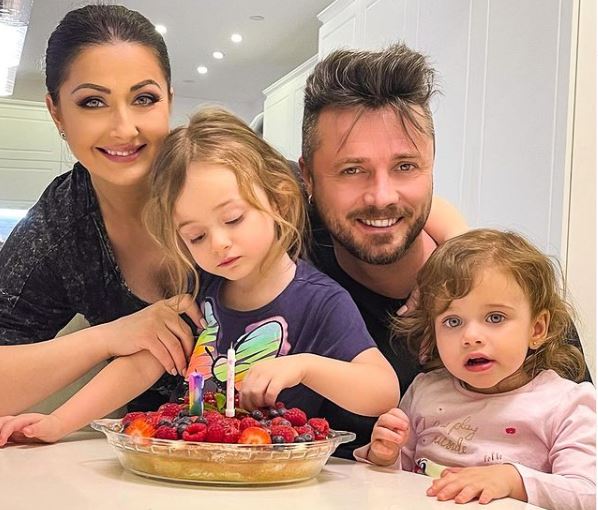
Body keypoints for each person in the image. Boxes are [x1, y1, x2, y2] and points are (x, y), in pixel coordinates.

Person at [0, 108, 400, 444]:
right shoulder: (198, 289)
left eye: (234, 218)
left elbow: (382, 390)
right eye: (196, 236)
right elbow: (140, 366)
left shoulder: (321, 302)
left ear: (278, 199)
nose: (219, 244)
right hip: (191, 468)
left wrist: (307, 367)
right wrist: (58, 423)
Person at [299, 43, 591, 457]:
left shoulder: (511, 295)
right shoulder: (289, 281)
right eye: (352, 170)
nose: (382, 196)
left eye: (405, 166)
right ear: (308, 177)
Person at [0, 4, 202, 417]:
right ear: (57, 112)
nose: (124, 128)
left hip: (293, 439)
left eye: (144, 98)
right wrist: (112, 336)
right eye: (93, 102)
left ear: (169, 99)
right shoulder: (57, 229)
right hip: (146, 445)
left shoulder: (228, 178)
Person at [358, 229, 595, 509]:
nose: (471, 337)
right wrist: (385, 456)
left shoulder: (566, 404)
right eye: (453, 322)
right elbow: (398, 482)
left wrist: (512, 480)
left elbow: (587, 493)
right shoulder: (425, 391)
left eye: (495, 317)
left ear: (537, 329)